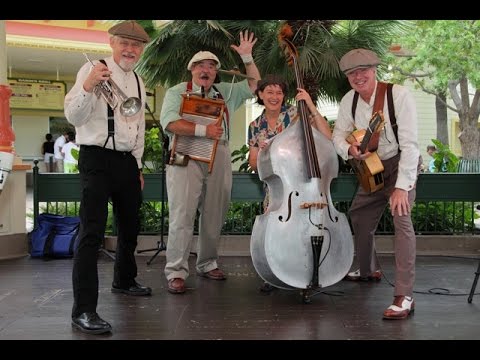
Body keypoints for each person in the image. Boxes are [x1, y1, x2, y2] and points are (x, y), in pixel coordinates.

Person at [64, 20, 151, 335]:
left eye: (136, 45)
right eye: (124, 43)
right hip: (96, 158)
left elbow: (137, 127)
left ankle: (124, 279)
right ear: (112, 43)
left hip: (127, 161)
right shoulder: (91, 70)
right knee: (92, 232)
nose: (130, 50)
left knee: (130, 226)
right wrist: (88, 86)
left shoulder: (139, 80)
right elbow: (73, 116)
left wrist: (138, 166)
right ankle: (83, 310)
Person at [160, 30, 260, 295]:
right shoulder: (177, 92)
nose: (206, 70)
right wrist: (204, 131)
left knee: (215, 212)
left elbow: (254, 85)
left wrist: (247, 57)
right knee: (182, 214)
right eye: (201, 65)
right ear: (191, 69)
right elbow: (170, 122)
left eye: (211, 66)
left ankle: (207, 263)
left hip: (219, 154)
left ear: (216, 73)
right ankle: (176, 271)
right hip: (185, 156)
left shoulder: (224, 91)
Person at [332, 48, 421, 320]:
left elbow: (410, 146)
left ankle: (404, 296)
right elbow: (338, 135)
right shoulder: (350, 100)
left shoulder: (398, 95)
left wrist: (402, 187)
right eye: (351, 73)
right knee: (359, 214)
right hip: (372, 168)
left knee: (401, 219)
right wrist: (351, 150)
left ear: (374, 71)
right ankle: (367, 269)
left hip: (400, 164)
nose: (358, 77)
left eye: (363, 71)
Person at [247, 74, 332, 293]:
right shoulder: (255, 125)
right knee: (277, 232)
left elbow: (326, 136)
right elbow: (254, 163)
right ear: (260, 94)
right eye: (269, 92)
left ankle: (306, 271)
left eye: (279, 92)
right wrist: (266, 151)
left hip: (304, 180)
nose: (274, 97)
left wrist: (310, 106)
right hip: (278, 188)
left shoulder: (296, 115)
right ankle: (277, 272)